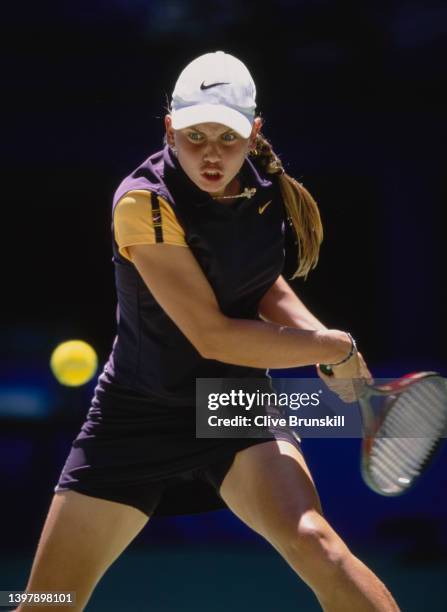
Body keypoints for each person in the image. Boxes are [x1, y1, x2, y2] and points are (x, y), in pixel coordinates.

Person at [18, 51, 400, 611]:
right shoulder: (143, 202)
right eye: (195, 137)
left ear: (254, 134)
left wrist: (321, 343)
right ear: (170, 129)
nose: (212, 154)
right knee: (48, 603)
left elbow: (260, 281)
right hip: (137, 414)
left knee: (318, 544)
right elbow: (211, 334)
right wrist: (333, 346)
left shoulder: (264, 189)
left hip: (231, 402)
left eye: (228, 137)